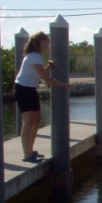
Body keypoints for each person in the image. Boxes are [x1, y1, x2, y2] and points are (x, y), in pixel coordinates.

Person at [14, 31, 71, 163]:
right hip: (23, 89)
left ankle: (31, 150)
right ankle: (27, 154)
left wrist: (48, 67)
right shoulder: (33, 56)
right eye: (46, 42)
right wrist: (64, 85)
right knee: (28, 121)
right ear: (39, 42)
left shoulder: (37, 57)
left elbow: (40, 74)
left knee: (36, 119)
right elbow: (46, 79)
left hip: (31, 89)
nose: (48, 45)